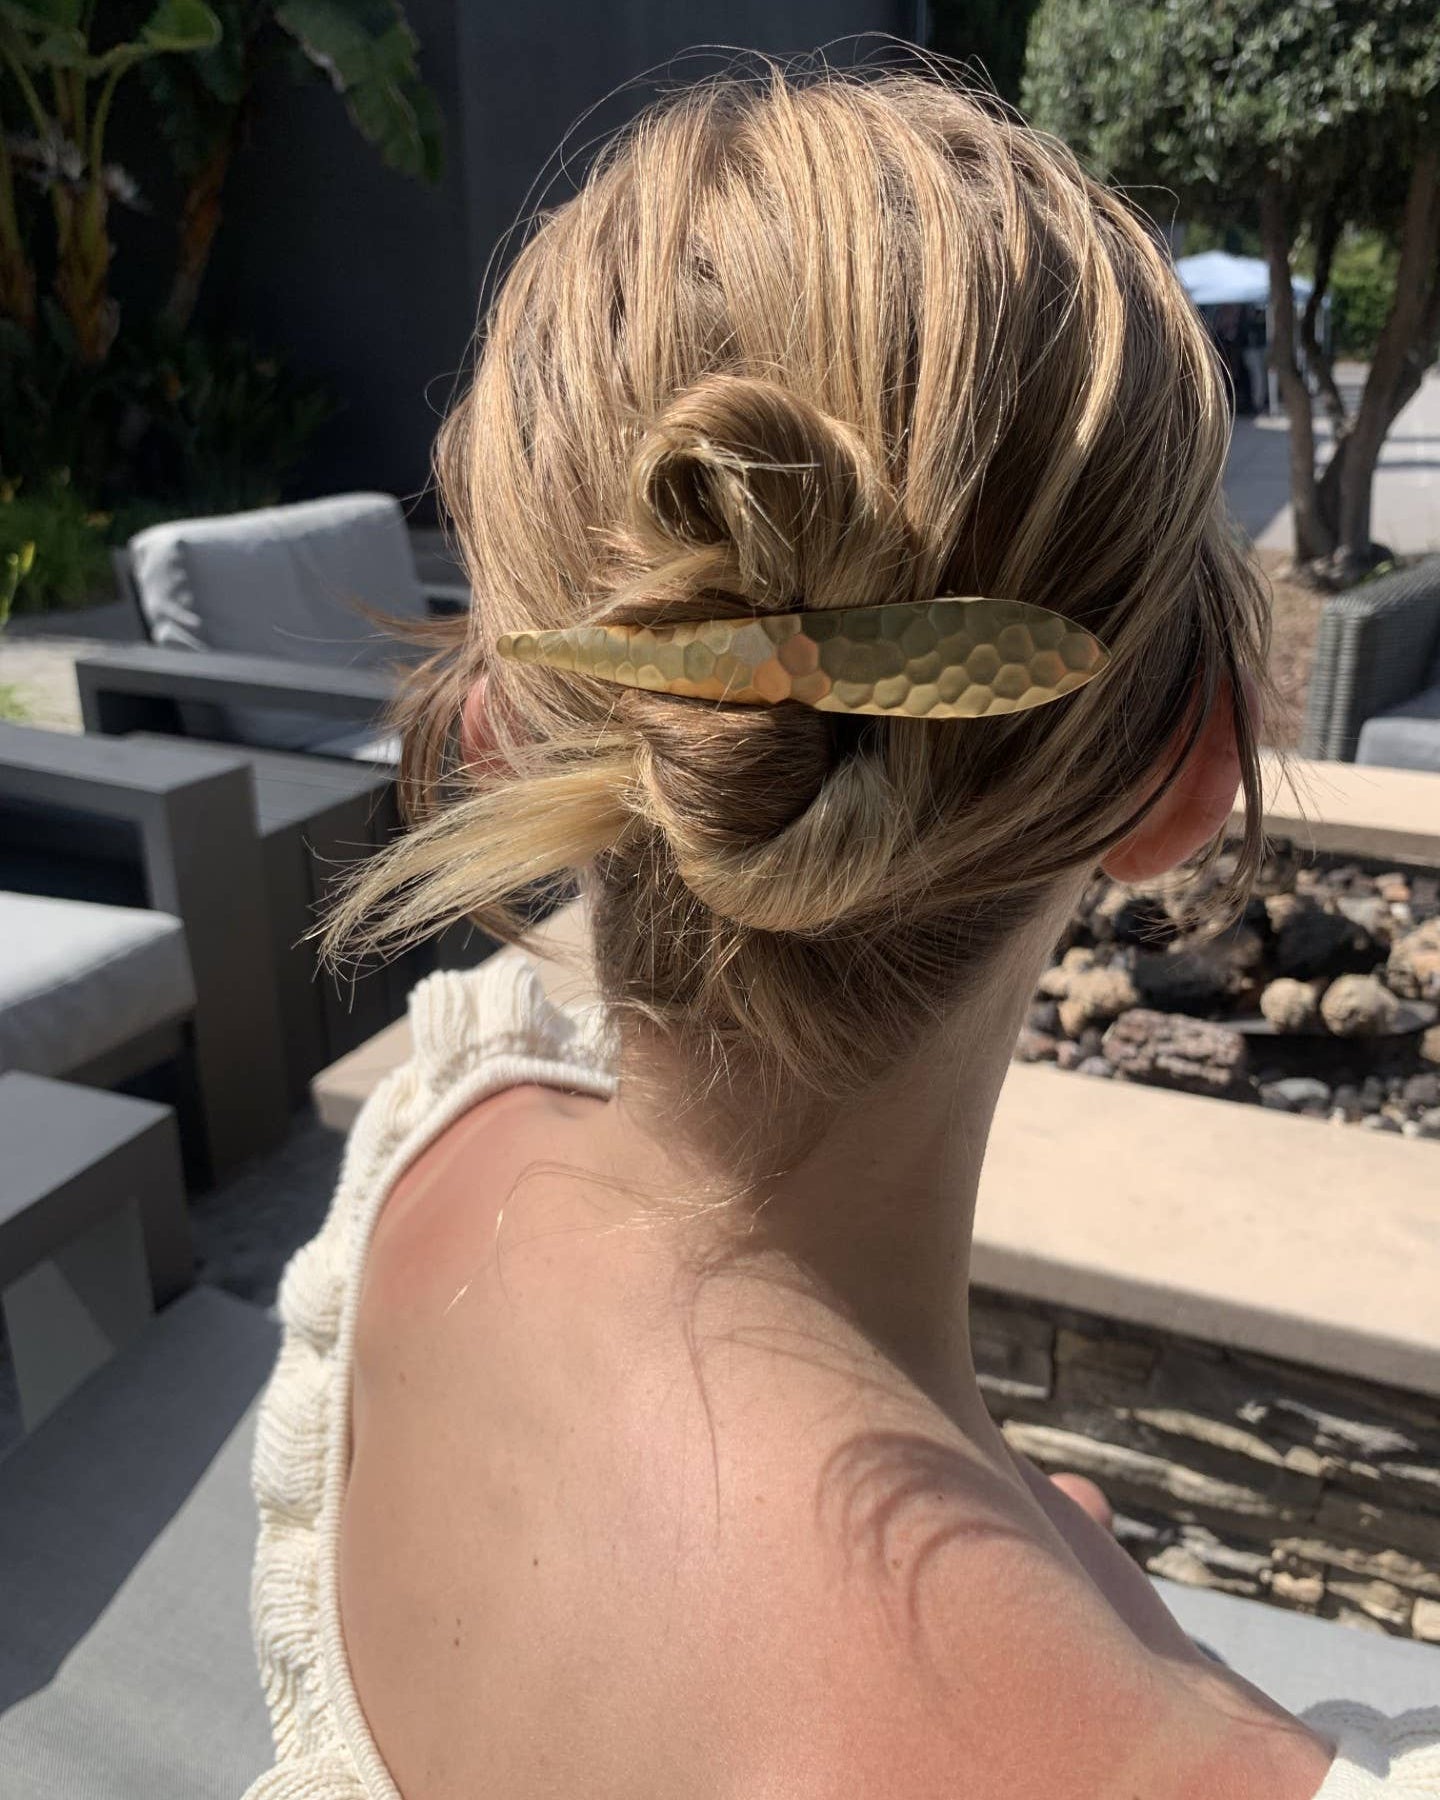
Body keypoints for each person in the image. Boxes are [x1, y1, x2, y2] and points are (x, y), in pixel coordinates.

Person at [244, 64, 1439, 1799]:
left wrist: (1043, 1536)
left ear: (506, 716)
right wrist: (1124, 1635)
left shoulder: (438, 1160)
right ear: (1186, 776)